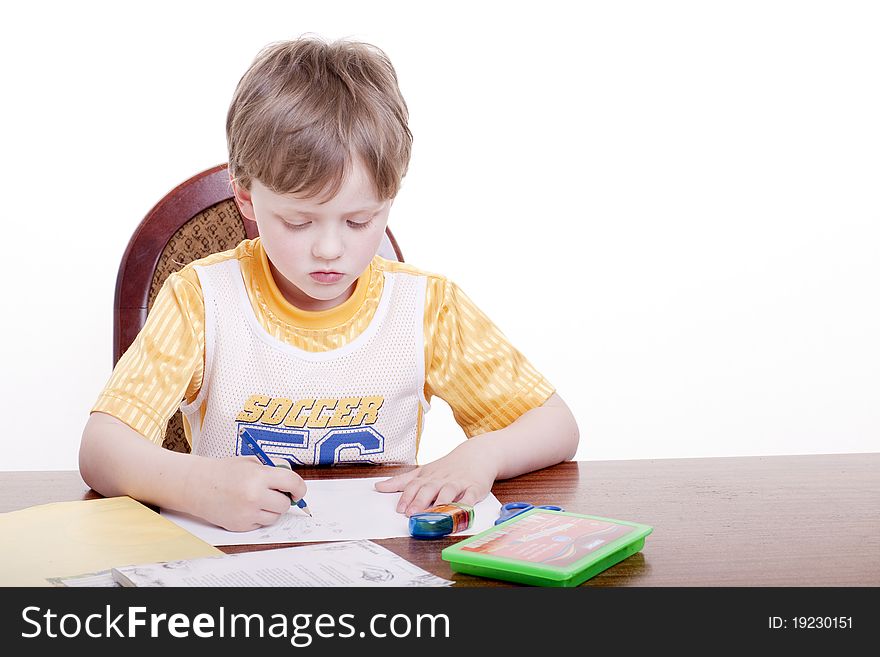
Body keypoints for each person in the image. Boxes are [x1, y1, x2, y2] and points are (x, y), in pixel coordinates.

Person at [79, 36, 579, 532]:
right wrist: (194, 485)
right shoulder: (201, 301)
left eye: (360, 221)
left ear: (390, 198)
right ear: (246, 198)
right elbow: (100, 449)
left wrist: (483, 453)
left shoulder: (428, 307)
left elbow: (558, 426)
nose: (330, 249)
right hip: (237, 564)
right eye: (299, 222)